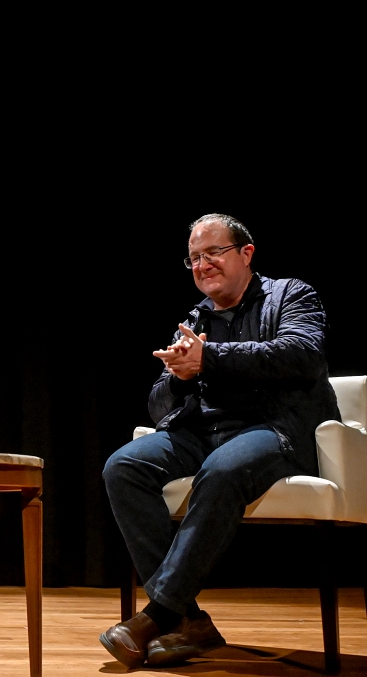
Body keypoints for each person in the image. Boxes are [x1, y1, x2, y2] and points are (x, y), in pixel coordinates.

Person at [100, 214, 340, 668]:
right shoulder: (195, 319)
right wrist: (179, 375)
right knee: (124, 467)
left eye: (213, 252)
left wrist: (208, 358)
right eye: (193, 257)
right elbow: (158, 407)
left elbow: (301, 355)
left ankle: (157, 614)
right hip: (205, 432)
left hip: (276, 429)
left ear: (246, 253)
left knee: (223, 470)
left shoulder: (292, 294)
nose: (202, 264)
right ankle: (189, 621)